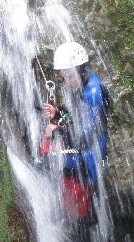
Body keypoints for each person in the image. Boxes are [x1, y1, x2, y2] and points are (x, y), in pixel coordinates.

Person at [40, 42, 110, 225]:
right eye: (65, 78)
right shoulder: (82, 84)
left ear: (81, 70)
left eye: (70, 76)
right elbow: (75, 116)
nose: (67, 82)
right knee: (52, 162)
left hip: (92, 157)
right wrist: (57, 113)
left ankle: (81, 222)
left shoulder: (93, 93)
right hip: (84, 150)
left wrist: (58, 131)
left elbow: (87, 136)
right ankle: (76, 217)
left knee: (58, 167)